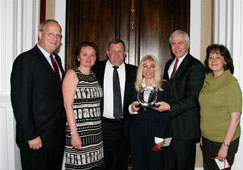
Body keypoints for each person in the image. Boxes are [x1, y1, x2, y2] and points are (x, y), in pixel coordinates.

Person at [10, 19, 66, 170]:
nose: (55, 38)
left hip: (56, 137)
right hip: (36, 138)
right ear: (40, 34)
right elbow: (20, 102)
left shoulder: (57, 60)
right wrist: (31, 135)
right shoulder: (26, 60)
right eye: (50, 34)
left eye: (58, 35)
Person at [156, 30, 205, 170]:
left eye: (180, 43)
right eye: (173, 44)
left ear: (188, 45)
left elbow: (193, 98)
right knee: (168, 166)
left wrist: (170, 108)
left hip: (185, 130)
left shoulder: (196, 66)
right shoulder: (169, 64)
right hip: (168, 128)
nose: (176, 47)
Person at [92, 39, 137, 170]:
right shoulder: (95, 69)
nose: (117, 54)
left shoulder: (135, 71)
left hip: (125, 126)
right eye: (113, 51)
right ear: (107, 53)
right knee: (101, 164)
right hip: (102, 126)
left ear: (125, 53)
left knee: (121, 163)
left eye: (120, 51)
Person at [199, 44, 242, 170]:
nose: (213, 60)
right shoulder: (208, 80)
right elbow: (206, 111)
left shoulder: (231, 84)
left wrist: (225, 145)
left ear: (225, 62)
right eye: (210, 57)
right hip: (207, 140)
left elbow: (235, 119)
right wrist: (203, 135)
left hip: (223, 141)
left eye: (218, 57)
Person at [62, 41, 104, 170]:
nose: (89, 58)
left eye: (92, 55)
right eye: (85, 54)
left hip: (95, 133)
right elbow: (67, 106)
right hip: (79, 132)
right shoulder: (72, 74)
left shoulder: (93, 76)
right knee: (80, 166)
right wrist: (74, 134)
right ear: (78, 57)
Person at [129, 55, 170, 170]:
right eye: (145, 66)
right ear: (140, 69)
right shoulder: (136, 86)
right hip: (137, 133)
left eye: (152, 66)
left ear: (156, 69)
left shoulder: (164, 86)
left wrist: (160, 136)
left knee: (155, 165)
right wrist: (131, 109)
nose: (148, 70)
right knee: (138, 165)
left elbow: (166, 114)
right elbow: (129, 108)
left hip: (155, 132)